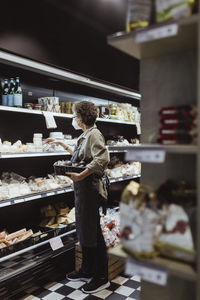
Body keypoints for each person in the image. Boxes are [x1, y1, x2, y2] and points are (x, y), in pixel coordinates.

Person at [46, 101, 110, 294]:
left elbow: (102, 159)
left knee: (94, 234)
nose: (73, 119)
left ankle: (101, 277)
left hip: (91, 191)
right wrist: (61, 144)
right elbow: (79, 157)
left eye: (74, 116)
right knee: (85, 231)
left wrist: (80, 176)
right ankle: (87, 269)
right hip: (83, 192)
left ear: (81, 118)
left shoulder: (94, 134)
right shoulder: (85, 135)